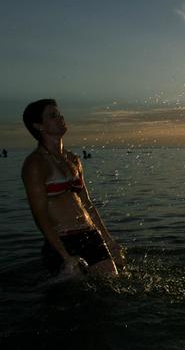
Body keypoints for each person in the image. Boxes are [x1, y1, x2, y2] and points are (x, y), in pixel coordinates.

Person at [21, 99, 124, 277]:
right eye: (53, 116)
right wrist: (65, 256)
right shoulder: (35, 164)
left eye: (60, 114)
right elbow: (41, 217)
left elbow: (87, 203)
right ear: (39, 126)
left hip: (90, 234)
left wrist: (109, 241)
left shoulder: (73, 160)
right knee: (75, 298)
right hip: (63, 239)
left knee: (113, 283)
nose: (61, 118)